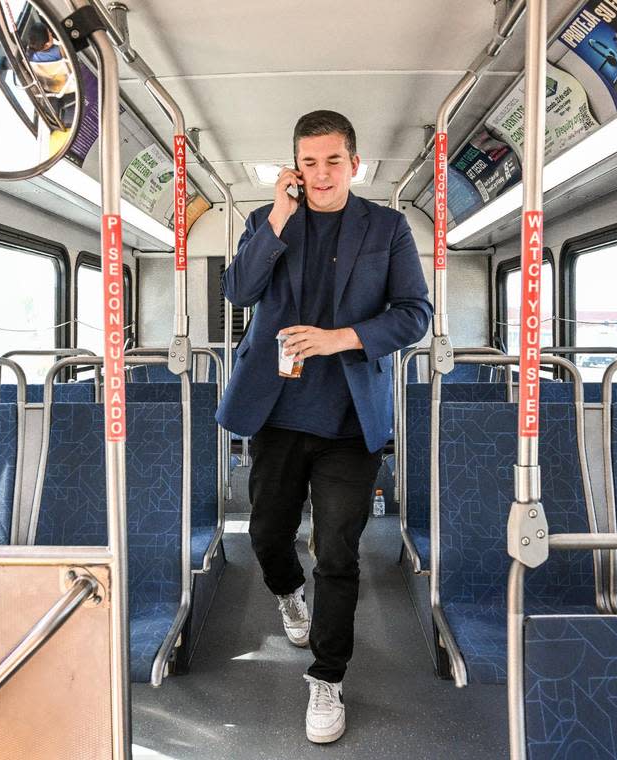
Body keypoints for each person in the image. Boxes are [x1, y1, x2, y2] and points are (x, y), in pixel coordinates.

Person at [217, 110, 431, 743]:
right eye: (308, 162)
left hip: (347, 419)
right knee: (266, 537)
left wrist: (342, 338)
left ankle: (328, 677)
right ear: (294, 167)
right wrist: (278, 217)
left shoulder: (387, 229)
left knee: (338, 551)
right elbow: (238, 291)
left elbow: (413, 315)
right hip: (276, 413)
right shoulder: (267, 222)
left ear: (353, 163)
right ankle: (288, 592)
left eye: (332, 160)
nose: (320, 173)